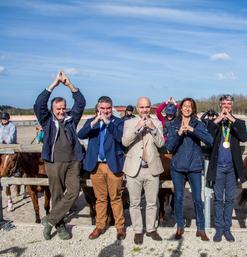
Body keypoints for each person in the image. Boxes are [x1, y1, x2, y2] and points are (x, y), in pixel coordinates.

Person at [33, 71, 86, 240]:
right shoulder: (47, 121)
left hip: (73, 162)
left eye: (64, 108)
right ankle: (60, 226)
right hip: (54, 162)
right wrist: (54, 83)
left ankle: (49, 220)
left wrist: (69, 84)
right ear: (52, 109)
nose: (62, 111)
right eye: (58, 109)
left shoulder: (71, 119)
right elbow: (38, 104)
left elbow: (81, 102)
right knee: (56, 195)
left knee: (73, 191)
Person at [78, 96, 126, 240]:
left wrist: (108, 123)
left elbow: (121, 138)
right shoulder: (91, 122)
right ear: (98, 109)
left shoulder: (118, 122)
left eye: (108, 108)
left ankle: (120, 227)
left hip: (113, 165)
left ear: (112, 108)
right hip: (96, 166)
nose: (105, 111)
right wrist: (93, 122)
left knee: (116, 198)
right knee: (99, 199)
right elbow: (80, 135)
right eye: (102, 108)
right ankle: (100, 226)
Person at [166, 98, 213, 241]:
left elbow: (210, 141)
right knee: (179, 198)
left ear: (193, 109)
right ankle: (180, 227)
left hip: (194, 166)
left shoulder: (198, 124)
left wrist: (193, 130)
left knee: (198, 199)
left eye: (190, 107)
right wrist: (179, 133)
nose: (187, 108)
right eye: (185, 106)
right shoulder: (173, 124)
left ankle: (201, 228)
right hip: (178, 167)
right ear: (180, 108)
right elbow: (170, 147)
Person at [205, 95, 247, 242]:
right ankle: (219, 229)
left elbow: (244, 137)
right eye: (223, 104)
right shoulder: (213, 123)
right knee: (218, 199)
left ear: (232, 106)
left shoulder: (239, 122)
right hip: (217, 167)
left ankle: (227, 229)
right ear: (219, 105)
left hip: (231, 168)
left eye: (229, 104)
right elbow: (207, 138)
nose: (226, 106)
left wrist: (232, 120)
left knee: (229, 199)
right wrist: (217, 120)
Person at [122, 97, 164, 245]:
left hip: (152, 168)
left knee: (152, 203)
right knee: (134, 203)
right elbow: (125, 142)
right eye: (141, 107)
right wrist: (137, 128)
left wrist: (153, 128)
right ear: (137, 108)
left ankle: (151, 229)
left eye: (147, 107)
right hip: (134, 169)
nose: (144, 110)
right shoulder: (128, 123)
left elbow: (161, 143)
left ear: (150, 107)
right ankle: (138, 231)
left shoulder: (157, 122)